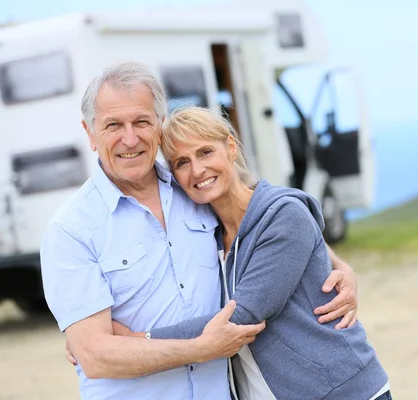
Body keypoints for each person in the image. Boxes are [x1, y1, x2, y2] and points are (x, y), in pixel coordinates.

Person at [41, 62, 360, 400]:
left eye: (142, 122)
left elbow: (267, 221)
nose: (130, 138)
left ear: (159, 127)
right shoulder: (70, 230)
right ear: (90, 133)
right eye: (113, 125)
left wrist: (336, 264)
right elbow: (94, 356)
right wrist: (200, 348)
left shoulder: (194, 188)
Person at [111, 106, 391, 400]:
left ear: (230, 147)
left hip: (341, 392)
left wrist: (136, 341)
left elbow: (241, 316)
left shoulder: (283, 214)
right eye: (182, 162)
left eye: (205, 152)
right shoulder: (207, 234)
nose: (197, 170)